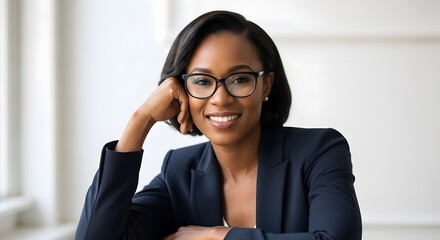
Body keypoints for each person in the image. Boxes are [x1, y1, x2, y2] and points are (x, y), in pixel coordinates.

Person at [75, 10, 362, 240]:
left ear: (266, 85)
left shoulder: (319, 151)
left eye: (240, 79)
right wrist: (142, 120)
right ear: (181, 90)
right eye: (201, 81)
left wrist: (218, 236)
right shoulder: (180, 171)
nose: (221, 98)